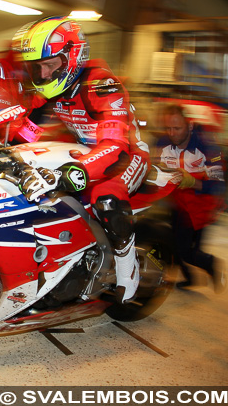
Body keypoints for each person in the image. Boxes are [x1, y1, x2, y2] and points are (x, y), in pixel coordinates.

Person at [13, 16, 150, 303]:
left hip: (126, 154)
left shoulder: (102, 84)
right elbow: (27, 129)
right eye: (37, 67)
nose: (44, 73)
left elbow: (115, 144)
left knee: (106, 196)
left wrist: (76, 170)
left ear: (72, 56)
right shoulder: (51, 87)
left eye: (50, 64)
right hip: (86, 151)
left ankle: (128, 266)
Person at [156, 103, 226, 292]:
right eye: (168, 128)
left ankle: (211, 264)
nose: (172, 133)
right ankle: (191, 277)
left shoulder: (208, 147)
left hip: (202, 205)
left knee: (189, 251)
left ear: (190, 126)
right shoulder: (162, 143)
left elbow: (217, 184)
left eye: (177, 128)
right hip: (177, 202)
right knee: (176, 245)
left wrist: (191, 182)